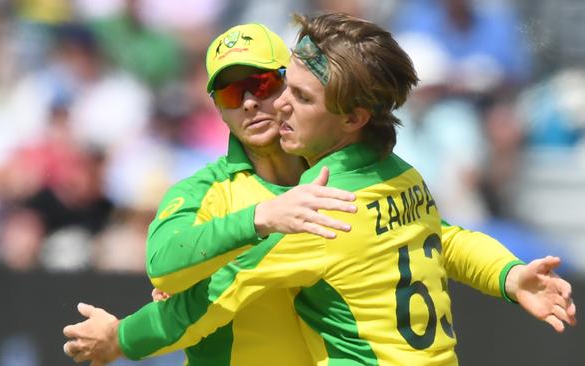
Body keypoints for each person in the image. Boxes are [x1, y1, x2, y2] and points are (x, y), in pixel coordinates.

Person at [63, 16, 576, 365]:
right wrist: (507, 275)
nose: (265, 105)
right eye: (229, 90)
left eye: (272, 86)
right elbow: (445, 240)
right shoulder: (399, 175)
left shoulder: (319, 207)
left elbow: (206, 304)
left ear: (351, 116)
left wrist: (121, 339)